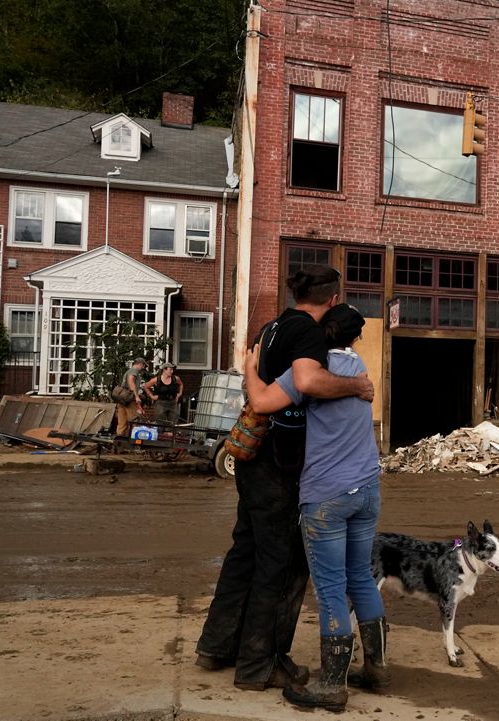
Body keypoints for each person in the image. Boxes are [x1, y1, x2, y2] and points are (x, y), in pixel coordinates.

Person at [195, 266, 374, 692]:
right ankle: (261, 664)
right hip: (281, 464)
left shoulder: (271, 327)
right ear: (332, 300)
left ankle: (217, 645)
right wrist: (356, 386)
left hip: (253, 459)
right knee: (284, 563)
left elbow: (256, 377)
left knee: (246, 552)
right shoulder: (309, 333)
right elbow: (309, 380)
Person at [244, 304, 386, 713]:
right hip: (367, 489)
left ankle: (332, 684)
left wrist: (250, 365)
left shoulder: (307, 374)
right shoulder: (360, 370)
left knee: (329, 588)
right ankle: (377, 669)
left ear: (321, 333)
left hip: (326, 495)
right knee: (360, 575)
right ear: (355, 338)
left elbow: (261, 402)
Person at [115, 357, 146, 437]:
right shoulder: (134, 371)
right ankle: (134, 441)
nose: (143, 368)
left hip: (122, 399)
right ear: (140, 364)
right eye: (143, 366)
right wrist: (136, 396)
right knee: (134, 420)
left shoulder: (128, 371)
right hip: (129, 399)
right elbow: (131, 381)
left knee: (122, 421)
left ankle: (119, 440)